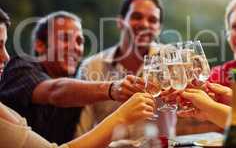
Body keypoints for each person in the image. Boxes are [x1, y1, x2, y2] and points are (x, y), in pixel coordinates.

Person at [0, 11, 144, 144]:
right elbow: (55, 91)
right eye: (65, 38)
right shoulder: (19, 69)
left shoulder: (81, 86)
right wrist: (112, 88)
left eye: (79, 42)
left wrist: (159, 94)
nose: (75, 47)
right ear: (40, 45)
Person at [76, 0, 168, 137]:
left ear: (159, 28)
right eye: (136, 16)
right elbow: (82, 131)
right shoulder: (91, 66)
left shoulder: (171, 60)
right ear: (120, 22)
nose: (145, 24)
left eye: (152, 20)